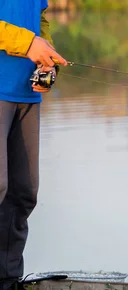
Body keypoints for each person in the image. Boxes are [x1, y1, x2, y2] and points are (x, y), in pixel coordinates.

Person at [0, 1, 68, 289]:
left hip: (26, 94)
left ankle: (7, 279)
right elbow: (30, 37)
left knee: (23, 192)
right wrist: (27, 44)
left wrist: (46, 59)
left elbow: (39, 20)